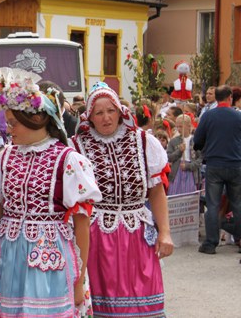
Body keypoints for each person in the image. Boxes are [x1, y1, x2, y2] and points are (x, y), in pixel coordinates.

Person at [0, 67, 101, 317]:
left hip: (49, 264)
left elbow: (82, 225)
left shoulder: (68, 160)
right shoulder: (5, 157)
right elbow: (2, 216)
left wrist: (79, 280)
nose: (8, 129)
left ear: (35, 119)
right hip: (9, 261)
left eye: (13, 123)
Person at [72, 82, 173, 318]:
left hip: (137, 233)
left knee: (145, 301)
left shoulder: (144, 142)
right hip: (96, 236)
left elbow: (157, 191)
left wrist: (165, 232)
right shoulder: (76, 147)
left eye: (111, 110)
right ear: (90, 116)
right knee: (102, 305)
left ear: (120, 111)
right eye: (99, 112)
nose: (106, 118)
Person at [193, 84, 241, 254]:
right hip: (236, 164)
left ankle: (210, 243)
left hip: (214, 164)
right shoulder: (238, 116)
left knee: (213, 204)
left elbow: (197, 140)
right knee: (237, 203)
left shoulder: (208, 116)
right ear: (230, 98)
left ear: (217, 98)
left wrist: (204, 148)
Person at [166, 114, 202, 196]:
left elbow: (200, 159)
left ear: (189, 126)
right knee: (175, 196)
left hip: (191, 173)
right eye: (177, 127)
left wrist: (189, 166)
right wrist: (179, 151)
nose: (179, 129)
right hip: (177, 172)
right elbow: (169, 157)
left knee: (189, 196)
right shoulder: (173, 141)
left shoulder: (196, 141)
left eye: (181, 127)